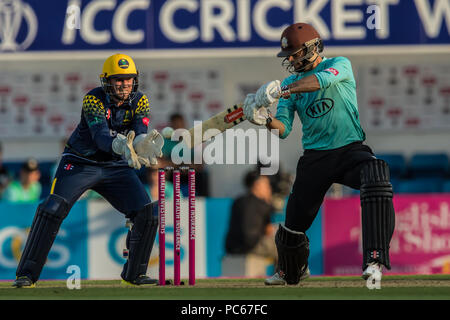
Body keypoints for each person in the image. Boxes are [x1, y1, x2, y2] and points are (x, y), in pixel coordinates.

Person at [243, 23, 395, 285]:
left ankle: (374, 260)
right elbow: (284, 130)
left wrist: (282, 90)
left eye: (295, 53)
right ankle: (293, 269)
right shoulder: (290, 84)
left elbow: (320, 82)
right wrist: (264, 119)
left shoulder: (339, 64)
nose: (290, 59)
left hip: (350, 150)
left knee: (377, 174)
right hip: (315, 158)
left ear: (313, 47)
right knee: (293, 225)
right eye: (288, 56)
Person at [13, 53, 164, 288]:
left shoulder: (140, 100)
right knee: (52, 208)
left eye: (128, 79)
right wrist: (121, 145)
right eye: (118, 80)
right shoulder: (93, 99)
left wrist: (142, 143)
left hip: (115, 166)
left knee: (148, 212)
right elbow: (101, 136)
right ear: (107, 81)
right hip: (80, 162)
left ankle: (135, 275)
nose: (124, 85)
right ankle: (26, 275)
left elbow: (140, 130)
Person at [225, 170, 277, 265]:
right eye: (266, 185)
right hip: (251, 246)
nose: (269, 188)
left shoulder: (238, 201)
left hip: (232, 246)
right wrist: (269, 201)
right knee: (284, 246)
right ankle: (282, 276)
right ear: (257, 185)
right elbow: (268, 230)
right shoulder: (263, 204)